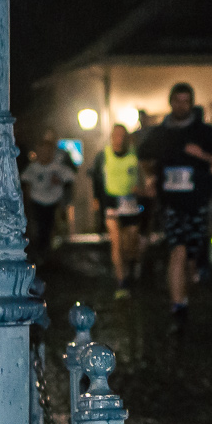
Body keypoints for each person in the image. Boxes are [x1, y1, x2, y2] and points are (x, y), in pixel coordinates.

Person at [140, 83, 212, 327]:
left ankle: (185, 289)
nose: (181, 105)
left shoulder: (204, 132)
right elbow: (142, 156)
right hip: (170, 204)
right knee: (177, 249)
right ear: (171, 102)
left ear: (191, 103)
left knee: (190, 255)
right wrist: (151, 177)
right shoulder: (160, 133)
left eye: (186, 101)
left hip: (197, 202)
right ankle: (178, 306)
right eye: (177, 101)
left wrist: (203, 156)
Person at [91, 123, 147, 296]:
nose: (119, 139)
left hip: (131, 203)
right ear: (111, 137)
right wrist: (97, 200)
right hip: (112, 203)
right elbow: (96, 178)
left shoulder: (134, 154)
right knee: (116, 242)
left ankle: (131, 266)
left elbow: (143, 176)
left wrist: (142, 190)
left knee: (130, 242)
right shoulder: (103, 155)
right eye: (116, 135)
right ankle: (121, 282)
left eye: (123, 136)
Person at [21, 132, 76, 257]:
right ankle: (40, 255)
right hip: (37, 204)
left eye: (48, 151)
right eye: (42, 151)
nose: (45, 154)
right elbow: (25, 186)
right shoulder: (32, 169)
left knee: (53, 231)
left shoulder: (60, 168)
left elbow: (69, 182)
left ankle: (52, 256)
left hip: (55, 204)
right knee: (39, 232)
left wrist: (65, 204)